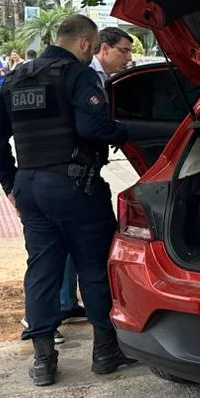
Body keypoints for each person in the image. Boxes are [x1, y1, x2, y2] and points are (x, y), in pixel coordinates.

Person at [0, 15, 137, 386]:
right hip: (74, 188)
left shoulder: (18, 76)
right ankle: (105, 351)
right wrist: (130, 131)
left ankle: (43, 360)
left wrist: (11, 184)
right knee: (93, 266)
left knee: (42, 269)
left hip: (30, 187)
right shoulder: (76, 74)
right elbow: (91, 129)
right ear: (85, 43)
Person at [59, 26, 135, 325]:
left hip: (72, 173)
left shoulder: (103, 77)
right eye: (124, 51)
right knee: (83, 248)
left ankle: (65, 303)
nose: (128, 58)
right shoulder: (84, 75)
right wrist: (119, 133)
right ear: (103, 48)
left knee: (66, 244)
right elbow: (90, 127)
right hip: (72, 174)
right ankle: (91, 324)